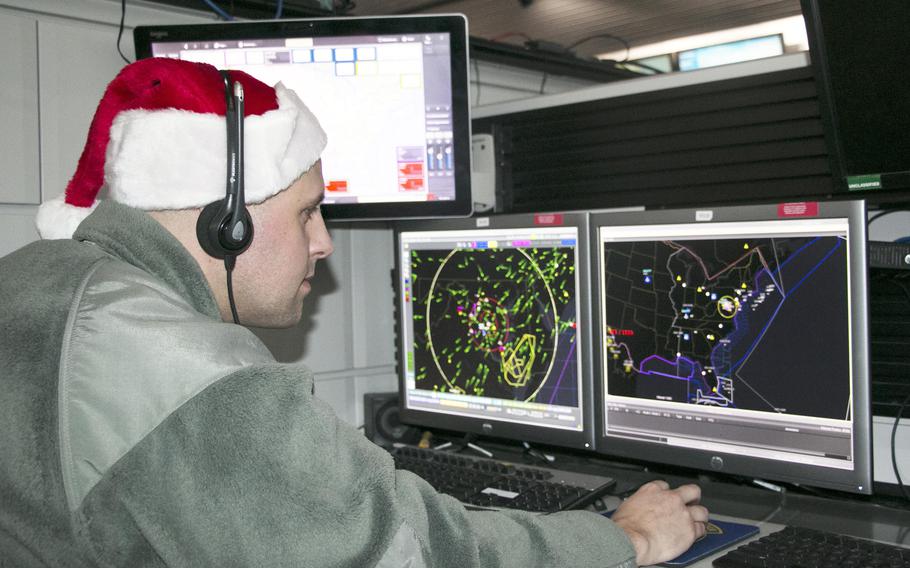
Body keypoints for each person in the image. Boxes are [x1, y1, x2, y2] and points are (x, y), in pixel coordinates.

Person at [0, 58, 707, 567]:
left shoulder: (32, 280)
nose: (324, 244)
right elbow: (410, 557)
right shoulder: (200, 378)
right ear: (227, 225)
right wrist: (625, 537)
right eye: (307, 212)